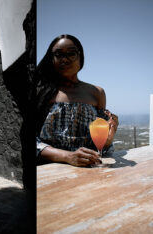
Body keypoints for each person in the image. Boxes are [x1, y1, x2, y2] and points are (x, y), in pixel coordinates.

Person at [35, 34, 119, 167]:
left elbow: (98, 142)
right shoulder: (40, 91)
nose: (65, 59)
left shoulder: (97, 93)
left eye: (71, 53)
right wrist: (67, 156)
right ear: (52, 59)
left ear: (81, 57)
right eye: (58, 54)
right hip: (49, 169)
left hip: (87, 169)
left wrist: (106, 140)